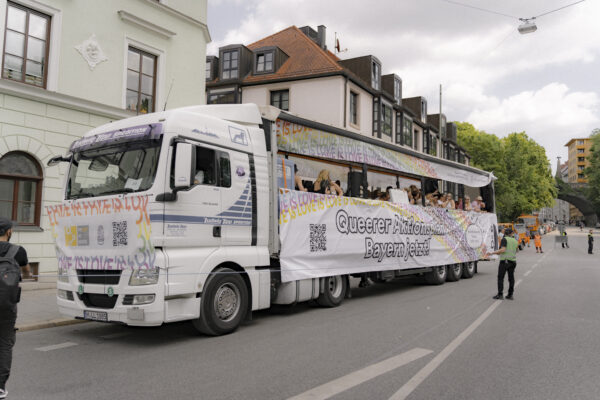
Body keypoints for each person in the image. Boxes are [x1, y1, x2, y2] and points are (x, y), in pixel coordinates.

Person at [0, 218, 30, 399]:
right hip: (7, 306)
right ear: (9, 231)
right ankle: (0, 387)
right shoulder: (18, 251)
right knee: (4, 344)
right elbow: (27, 272)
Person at [488, 227, 518, 300]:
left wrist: (492, 253)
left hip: (505, 262)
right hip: (513, 261)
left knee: (500, 278)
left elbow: (503, 250)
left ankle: (500, 294)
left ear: (505, 233)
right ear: (511, 233)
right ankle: (510, 295)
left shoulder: (504, 239)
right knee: (511, 278)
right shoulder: (515, 240)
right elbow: (516, 250)